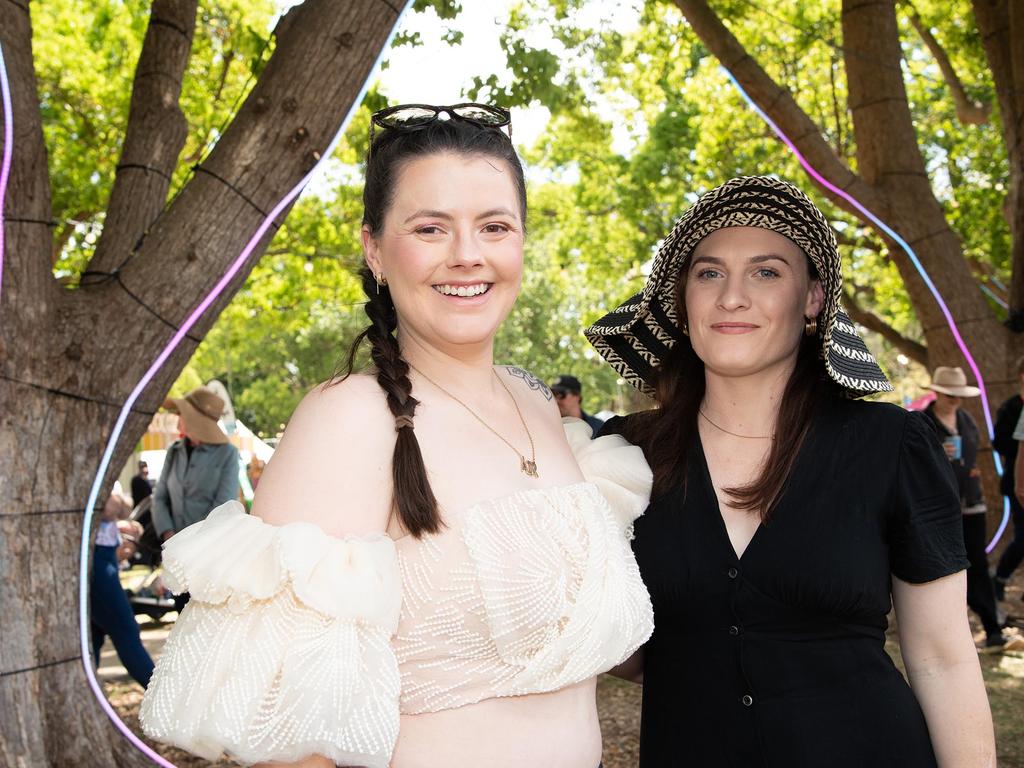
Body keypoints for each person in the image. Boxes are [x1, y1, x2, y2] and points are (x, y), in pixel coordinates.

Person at [140, 104, 653, 768]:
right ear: (375, 249)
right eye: (430, 228)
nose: (467, 255)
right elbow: (288, 740)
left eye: (494, 226)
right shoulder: (351, 418)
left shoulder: (534, 402)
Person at [586, 176, 994, 767]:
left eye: (766, 272)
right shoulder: (624, 457)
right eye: (708, 272)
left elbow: (942, 657)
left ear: (813, 298)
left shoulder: (891, 445)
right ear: (682, 298)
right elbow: (628, 651)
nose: (731, 297)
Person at [923, 366, 1006, 649]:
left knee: (978, 564)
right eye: (948, 394)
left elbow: (973, 454)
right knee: (947, 567)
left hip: (971, 502)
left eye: (958, 394)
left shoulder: (967, 420)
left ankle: (992, 626)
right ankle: (950, 632)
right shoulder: (923, 422)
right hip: (937, 507)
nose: (954, 399)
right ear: (936, 392)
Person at [151, 386, 239, 613]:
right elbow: (159, 497)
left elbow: (223, 504)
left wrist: (192, 542)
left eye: (182, 415)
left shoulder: (227, 454)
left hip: (210, 558)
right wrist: (169, 534)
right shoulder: (175, 451)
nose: (178, 420)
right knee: (181, 613)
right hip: (176, 555)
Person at [91, 485, 154, 688]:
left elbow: (123, 508)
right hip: (96, 556)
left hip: (107, 554)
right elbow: (109, 508)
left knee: (95, 634)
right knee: (125, 629)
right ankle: (158, 694)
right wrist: (115, 503)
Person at [995, 357, 1024, 600]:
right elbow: (1001, 444)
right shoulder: (1011, 408)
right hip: (1018, 484)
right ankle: (1001, 577)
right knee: (1022, 538)